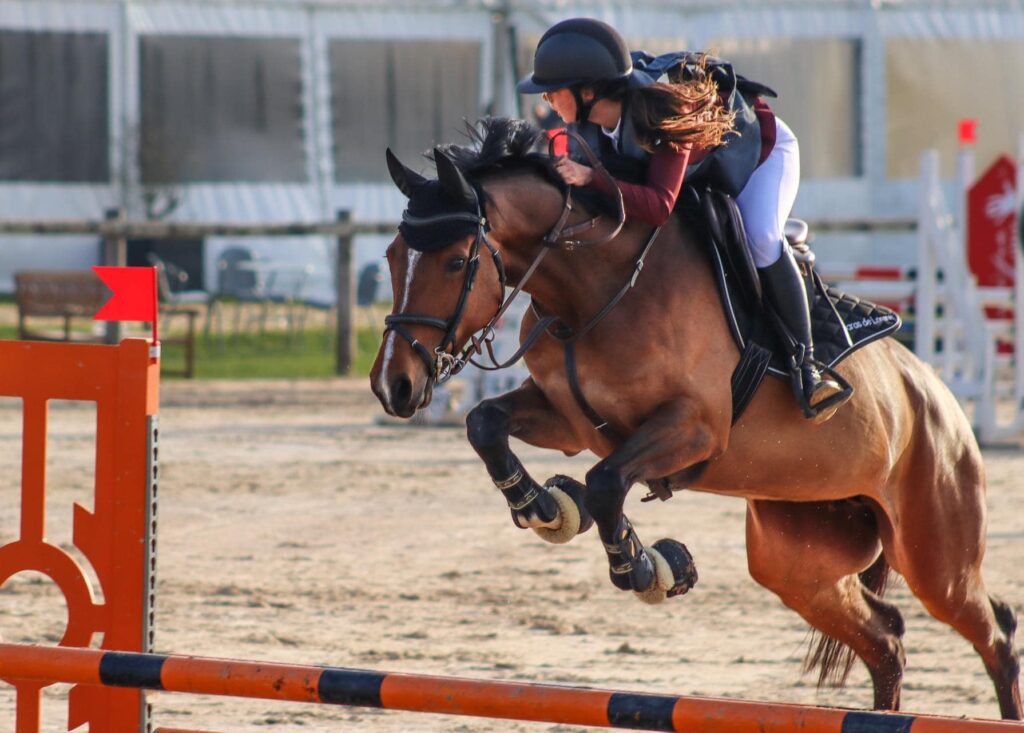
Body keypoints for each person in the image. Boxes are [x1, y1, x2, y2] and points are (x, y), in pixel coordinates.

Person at [517, 17, 847, 419]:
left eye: (553, 93)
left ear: (588, 91)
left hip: (761, 155)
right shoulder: (589, 124)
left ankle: (807, 367)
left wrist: (592, 177)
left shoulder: (662, 112)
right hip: (700, 173)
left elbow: (658, 206)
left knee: (761, 238)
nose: (547, 100)